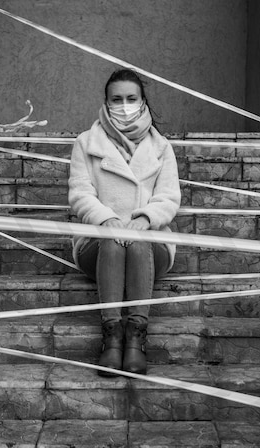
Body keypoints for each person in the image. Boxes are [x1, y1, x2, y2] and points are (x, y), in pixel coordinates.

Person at [68, 68, 181, 376]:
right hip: (99, 244)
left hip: (150, 243)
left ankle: (136, 339)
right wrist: (109, 221)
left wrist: (145, 220)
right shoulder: (86, 143)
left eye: (132, 98)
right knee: (114, 245)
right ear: (106, 102)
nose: (124, 105)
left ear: (143, 101)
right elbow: (80, 194)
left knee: (139, 243)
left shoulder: (161, 148)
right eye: (116, 99)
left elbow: (169, 197)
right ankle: (112, 337)